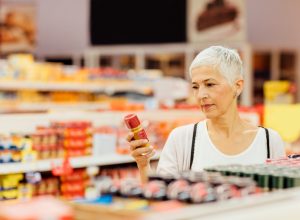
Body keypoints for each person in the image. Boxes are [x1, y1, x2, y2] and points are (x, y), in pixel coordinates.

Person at [127, 45, 285, 183]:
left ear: (237, 86)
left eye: (210, 84)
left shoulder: (269, 141)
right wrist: (143, 165)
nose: (201, 94)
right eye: (195, 87)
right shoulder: (183, 139)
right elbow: (160, 197)